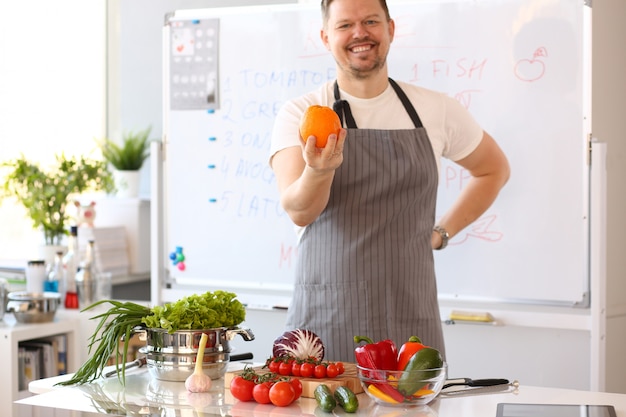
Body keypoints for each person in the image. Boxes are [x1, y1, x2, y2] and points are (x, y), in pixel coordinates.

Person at [269, 0, 510, 363]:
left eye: (370, 21)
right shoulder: (302, 114)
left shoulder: (436, 109)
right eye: (344, 25)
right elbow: (299, 210)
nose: (359, 33)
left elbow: (494, 169)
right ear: (325, 37)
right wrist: (319, 170)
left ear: (391, 29)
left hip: (410, 315)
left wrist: (441, 233)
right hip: (328, 317)